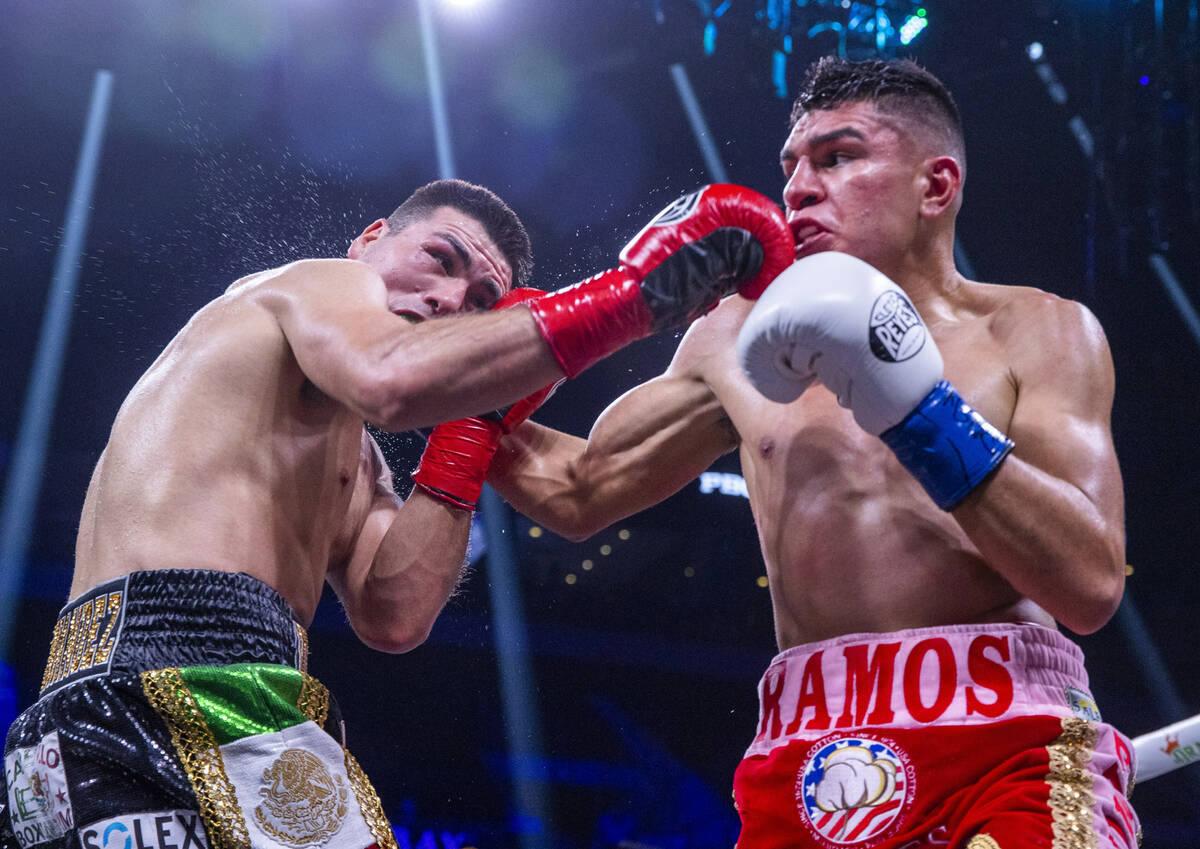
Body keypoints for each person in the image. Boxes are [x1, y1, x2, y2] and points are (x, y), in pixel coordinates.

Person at [1, 178, 792, 849]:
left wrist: (472, 427)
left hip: (177, 694)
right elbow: (391, 379)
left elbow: (397, 612)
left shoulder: (360, 461)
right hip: (171, 677)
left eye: (480, 302)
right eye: (438, 261)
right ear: (370, 239)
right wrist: (636, 297)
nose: (449, 298)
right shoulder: (306, 285)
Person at [486, 58, 1141, 848]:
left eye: (837, 157)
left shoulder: (1037, 329)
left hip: (1007, 744)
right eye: (791, 165)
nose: (797, 187)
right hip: (810, 754)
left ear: (935, 187)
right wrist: (453, 387)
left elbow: (1091, 582)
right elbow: (579, 488)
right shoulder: (734, 334)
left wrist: (914, 407)